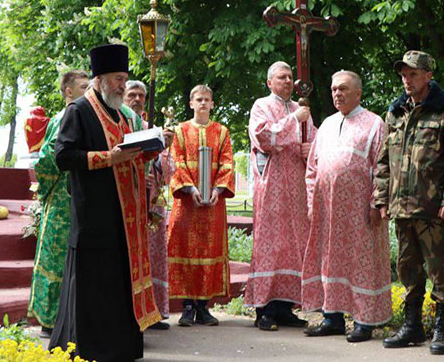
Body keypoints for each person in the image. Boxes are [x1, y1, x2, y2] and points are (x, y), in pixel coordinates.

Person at [49, 47, 162, 361]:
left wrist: (147, 151)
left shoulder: (119, 114)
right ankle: (87, 350)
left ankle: (119, 348)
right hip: (93, 216)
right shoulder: (79, 111)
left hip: (122, 218)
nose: (122, 87)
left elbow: (127, 153)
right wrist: (108, 158)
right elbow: (63, 157)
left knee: (116, 285)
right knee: (93, 287)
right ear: (99, 79)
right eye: (117, 80)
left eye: (124, 80)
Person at [373, 50, 444, 355]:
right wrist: (381, 197)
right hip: (401, 206)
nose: (407, 80)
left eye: (413, 74)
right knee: (407, 268)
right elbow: (382, 161)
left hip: (433, 208)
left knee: (439, 269)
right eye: (403, 74)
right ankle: (412, 325)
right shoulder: (395, 112)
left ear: (429, 75)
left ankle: (442, 329)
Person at [301, 71, 391, 342]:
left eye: (343, 89)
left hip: (360, 211)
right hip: (328, 211)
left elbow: (383, 167)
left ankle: (364, 320)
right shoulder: (327, 124)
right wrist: (310, 202)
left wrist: (377, 202)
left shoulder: (374, 124)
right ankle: (333, 317)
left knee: (361, 263)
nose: (337, 94)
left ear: (358, 93)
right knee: (330, 261)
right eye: (333, 89)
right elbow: (312, 168)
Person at [244, 61, 314, 331]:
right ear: (269, 82)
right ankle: (265, 309)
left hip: (296, 186)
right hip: (272, 186)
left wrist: (312, 148)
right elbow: (262, 137)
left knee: (293, 245)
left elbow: (314, 139)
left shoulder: (300, 108)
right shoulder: (262, 105)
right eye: (282, 77)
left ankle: (285, 308)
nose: (288, 81)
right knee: (271, 245)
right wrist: (292, 121)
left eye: (290, 77)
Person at [167, 85, 235, 327]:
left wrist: (217, 190)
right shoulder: (180, 130)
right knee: (185, 249)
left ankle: (204, 307)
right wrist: (191, 188)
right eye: (199, 99)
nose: (203, 103)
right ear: (191, 103)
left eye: (207, 100)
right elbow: (177, 162)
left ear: (213, 104)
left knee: (209, 251)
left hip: (213, 205)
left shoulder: (222, 131)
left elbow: (227, 163)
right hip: (187, 203)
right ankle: (187, 306)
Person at [27, 70, 88, 337]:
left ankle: (67, 319)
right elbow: (48, 157)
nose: (89, 91)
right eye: (84, 87)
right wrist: (49, 190)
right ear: (69, 91)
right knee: (55, 259)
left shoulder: (83, 116)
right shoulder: (65, 117)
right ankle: (51, 319)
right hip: (63, 200)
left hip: (73, 198)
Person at [122, 79, 173, 330]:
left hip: (152, 202)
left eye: (141, 95)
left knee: (152, 256)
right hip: (130, 198)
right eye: (132, 94)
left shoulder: (152, 128)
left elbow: (168, 168)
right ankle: (132, 313)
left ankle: (153, 312)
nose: (138, 99)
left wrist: (160, 167)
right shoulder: (120, 124)